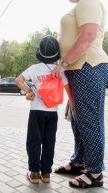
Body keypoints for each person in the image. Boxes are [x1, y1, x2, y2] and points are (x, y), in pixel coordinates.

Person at [53, 0, 108, 188]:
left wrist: (64, 63)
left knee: (89, 121)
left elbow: (88, 36)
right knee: (77, 119)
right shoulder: (80, 6)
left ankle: (95, 172)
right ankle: (79, 162)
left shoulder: (89, 1)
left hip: (89, 66)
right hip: (79, 68)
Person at [15, 36, 75, 184]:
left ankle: (34, 173)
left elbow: (18, 80)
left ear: (40, 53)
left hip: (36, 112)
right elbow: (68, 90)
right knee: (49, 142)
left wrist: (29, 91)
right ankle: (46, 173)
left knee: (34, 142)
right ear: (57, 54)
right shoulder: (59, 71)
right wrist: (73, 106)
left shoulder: (34, 69)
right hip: (52, 113)